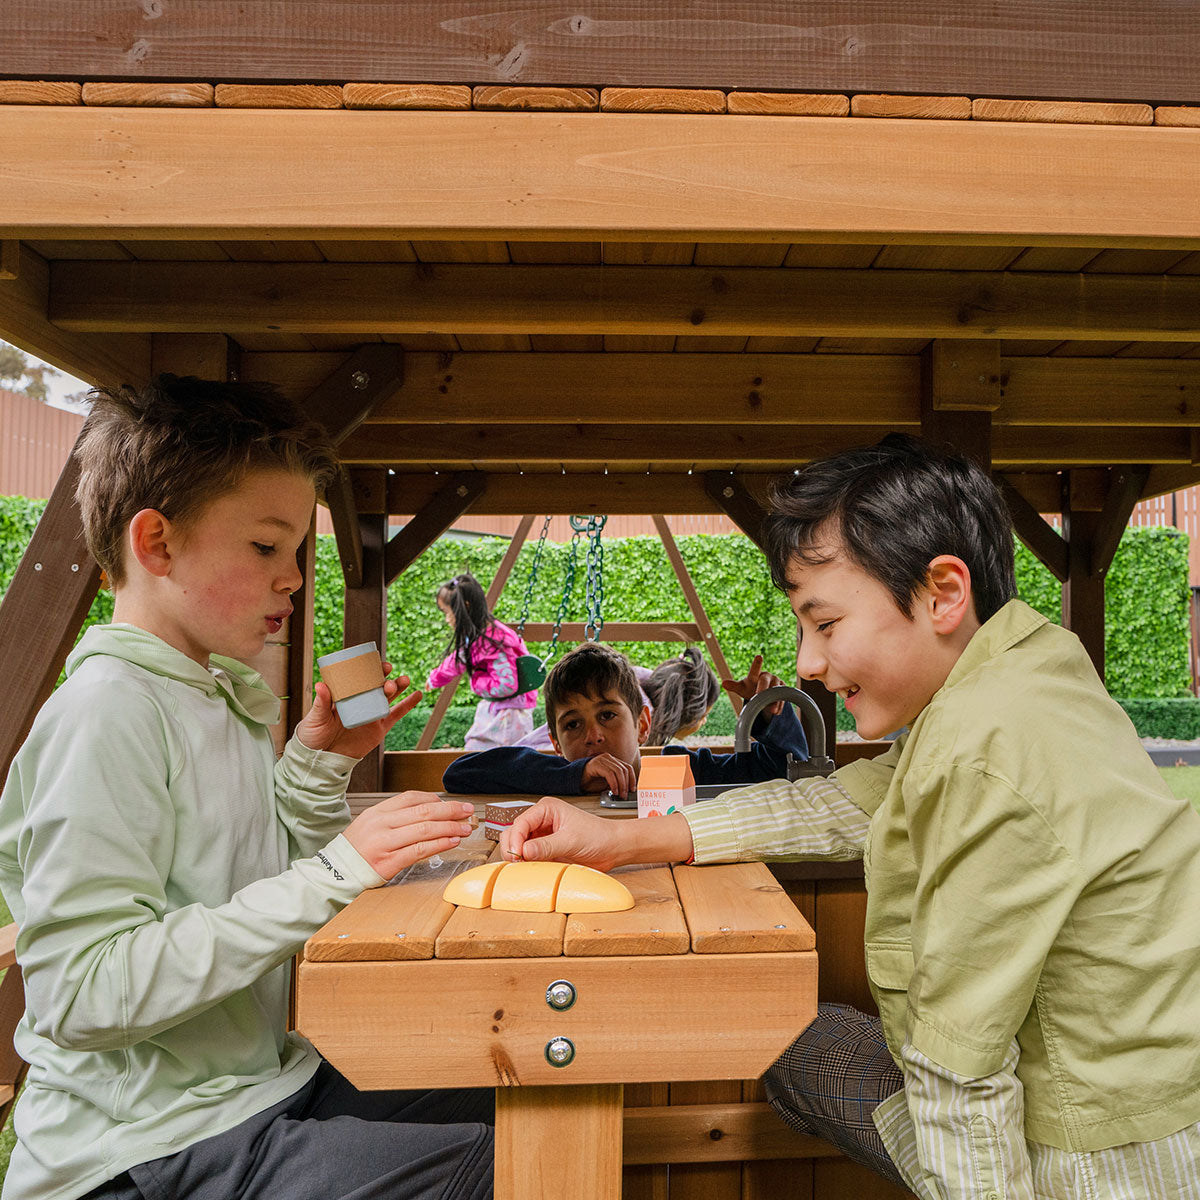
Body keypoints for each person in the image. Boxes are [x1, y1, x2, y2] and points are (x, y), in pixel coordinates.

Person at [499, 434, 1200, 1200]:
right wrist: (621, 838)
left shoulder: (982, 751)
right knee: (806, 1038)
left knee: (797, 1040)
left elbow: (959, 1073)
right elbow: (846, 801)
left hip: (1095, 1163)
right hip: (1156, 1098)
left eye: (825, 624)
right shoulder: (1025, 673)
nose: (805, 661)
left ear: (942, 593)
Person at [0, 375, 492, 1200]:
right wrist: (339, 870)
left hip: (247, 1092)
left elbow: (253, 883)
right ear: (155, 543)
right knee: (496, 1162)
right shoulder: (107, 711)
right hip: (140, 1151)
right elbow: (82, 991)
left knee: (505, 1081)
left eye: (297, 550)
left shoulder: (212, 691)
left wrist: (315, 766)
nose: (294, 577)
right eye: (266, 547)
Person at [442, 641, 807, 797]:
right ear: (554, 742)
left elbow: (782, 771)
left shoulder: (683, 772)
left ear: (643, 725)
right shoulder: (547, 781)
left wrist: (770, 718)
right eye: (572, 724)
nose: (593, 735)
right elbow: (459, 774)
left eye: (607, 715)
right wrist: (573, 776)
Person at [427, 572, 537, 750]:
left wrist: (477, 683)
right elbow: (459, 658)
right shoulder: (479, 637)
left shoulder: (494, 642)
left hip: (511, 714)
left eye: (448, 613)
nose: (447, 620)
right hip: (499, 707)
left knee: (484, 753)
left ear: (466, 607)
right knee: (475, 750)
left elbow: (507, 685)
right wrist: (435, 678)